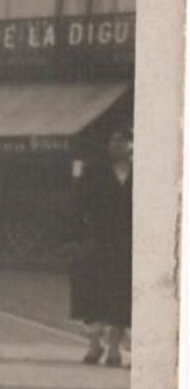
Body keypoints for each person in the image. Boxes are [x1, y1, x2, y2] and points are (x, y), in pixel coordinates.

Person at [68, 126, 133, 366]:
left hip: (127, 242)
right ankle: (94, 346)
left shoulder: (140, 173)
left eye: (123, 140)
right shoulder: (94, 171)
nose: (117, 145)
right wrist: (78, 237)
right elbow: (77, 205)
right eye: (113, 141)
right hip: (97, 240)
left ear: (132, 145)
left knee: (120, 295)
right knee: (91, 294)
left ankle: (114, 349)